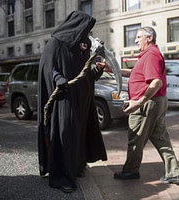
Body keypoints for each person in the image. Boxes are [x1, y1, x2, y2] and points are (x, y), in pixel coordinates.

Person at [38, 11, 107, 193]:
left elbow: (83, 74)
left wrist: (96, 71)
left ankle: (76, 167)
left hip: (81, 101)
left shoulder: (79, 47)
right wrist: (57, 77)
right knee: (65, 135)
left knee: (79, 135)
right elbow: (46, 66)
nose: (87, 33)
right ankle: (62, 176)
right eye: (85, 29)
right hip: (64, 101)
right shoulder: (55, 43)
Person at [102, 26, 179, 184]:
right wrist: (113, 70)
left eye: (139, 37)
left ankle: (131, 170)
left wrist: (139, 102)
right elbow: (134, 73)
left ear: (149, 38)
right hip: (156, 101)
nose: (135, 40)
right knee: (160, 138)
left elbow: (156, 82)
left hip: (147, 103)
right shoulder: (148, 55)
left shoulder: (151, 54)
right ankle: (173, 172)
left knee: (136, 138)